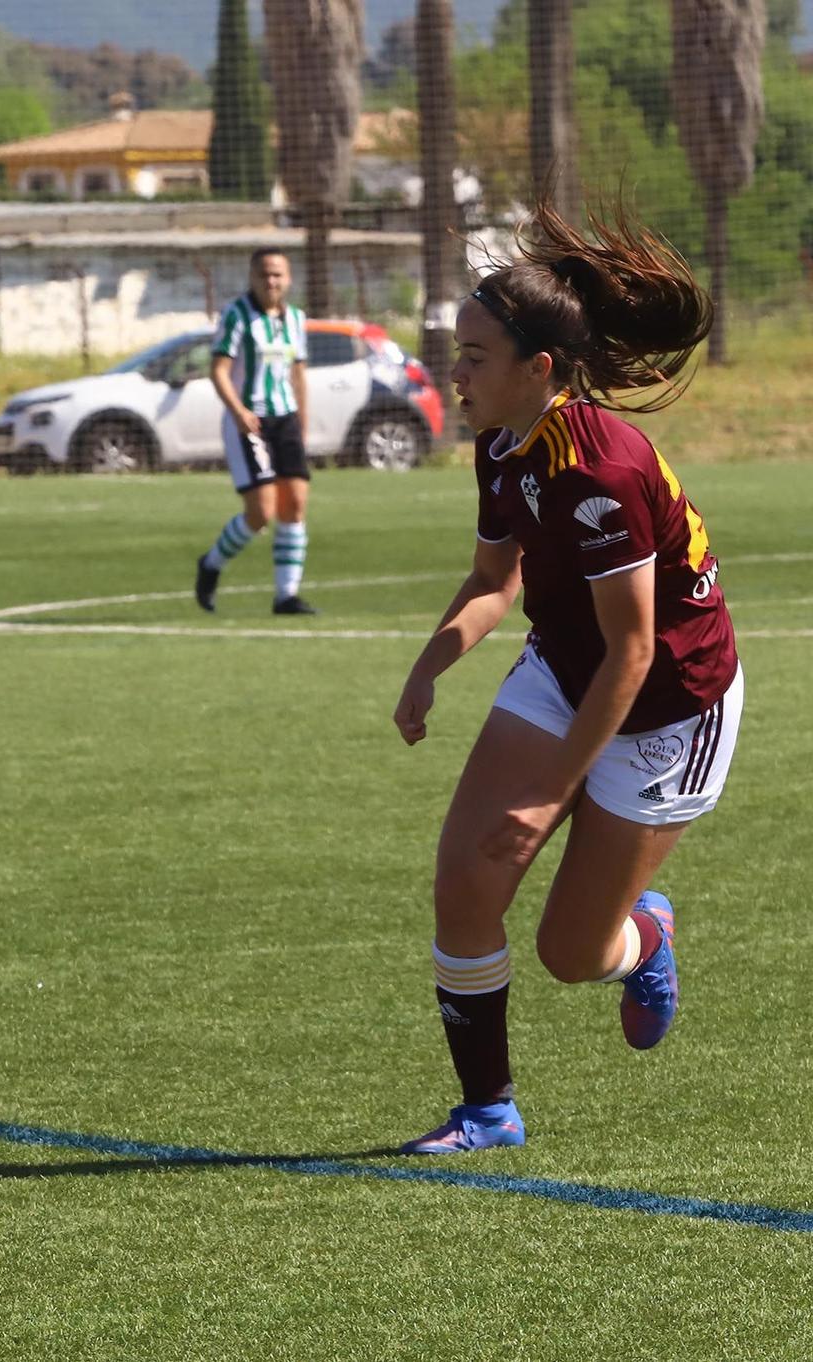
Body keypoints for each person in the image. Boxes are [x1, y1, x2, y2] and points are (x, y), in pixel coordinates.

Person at [390, 200, 741, 1154]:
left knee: (571, 954)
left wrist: (549, 790)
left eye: (472, 356)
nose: (452, 373)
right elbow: (494, 580)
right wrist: (429, 669)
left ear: (537, 368)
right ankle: (488, 1111)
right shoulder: (500, 447)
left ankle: (646, 941)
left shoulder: (601, 471)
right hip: (564, 668)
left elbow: (633, 653)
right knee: (467, 880)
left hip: (670, 703)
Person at [193, 249, 317, 616]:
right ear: (252, 277)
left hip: (286, 419)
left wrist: (302, 421)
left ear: (289, 278)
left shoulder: (295, 318)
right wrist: (239, 411)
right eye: (264, 274)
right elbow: (218, 371)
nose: (271, 281)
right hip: (249, 422)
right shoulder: (236, 316)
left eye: (278, 274)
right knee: (261, 512)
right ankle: (211, 563)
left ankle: (286, 596)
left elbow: (298, 374)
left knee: (294, 504)